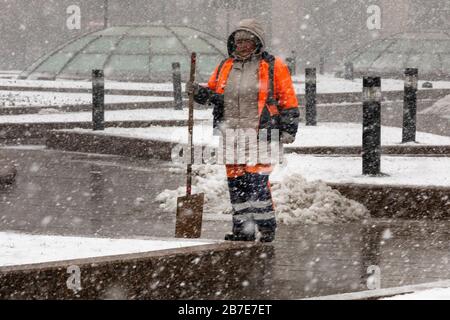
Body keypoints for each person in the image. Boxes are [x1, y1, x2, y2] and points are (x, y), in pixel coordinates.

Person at [187, 18, 299, 242]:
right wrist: (198, 92)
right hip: (231, 134)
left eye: (247, 40)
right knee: (236, 184)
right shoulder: (225, 66)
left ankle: (266, 228)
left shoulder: (272, 66)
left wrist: (289, 128)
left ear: (257, 42)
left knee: (256, 183)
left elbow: (288, 99)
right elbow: (215, 95)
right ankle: (243, 230)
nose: (242, 45)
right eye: (238, 41)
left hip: (263, 132)